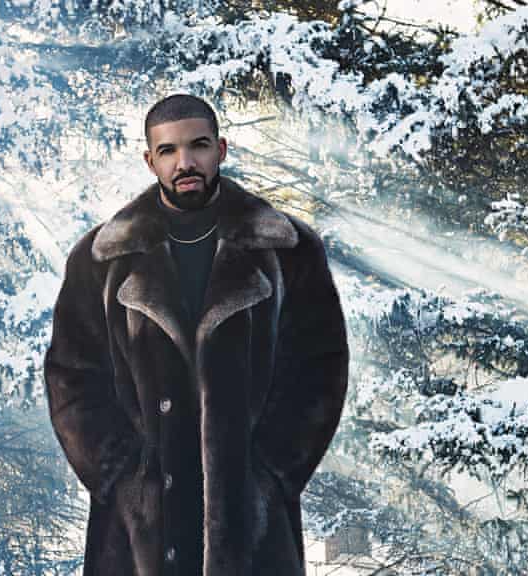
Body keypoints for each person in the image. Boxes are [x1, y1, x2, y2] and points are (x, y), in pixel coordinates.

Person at [44, 94, 349, 576]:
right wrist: (122, 476)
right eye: (167, 151)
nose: (185, 162)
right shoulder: (102, 258)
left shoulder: (287, 249)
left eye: (198, 146)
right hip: (137, 529)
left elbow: (318, 369)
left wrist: (269, 474)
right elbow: (71, 376)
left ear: (221, 150)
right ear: (150, 159)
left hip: (249, 519)